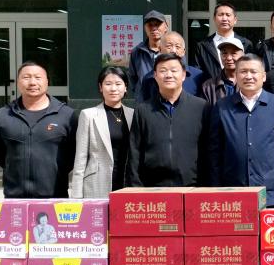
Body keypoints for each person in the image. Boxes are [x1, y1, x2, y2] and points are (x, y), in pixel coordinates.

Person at [207, 54, 274, 207]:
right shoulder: (222, 107)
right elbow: (214, 152)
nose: (248, 76)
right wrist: (215, 187)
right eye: (243, 72)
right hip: (232, 190)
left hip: (271, 192)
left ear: (264, 76)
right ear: (236, 75)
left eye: (253, 72)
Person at [0, 62, 75, 198]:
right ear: (18, 82)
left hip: (54, 195)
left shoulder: (67, 115)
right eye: (26, 77)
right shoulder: (3, 115)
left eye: (38, 77)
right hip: (15, 196)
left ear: (47, 82)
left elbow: (74, 152)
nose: (32, 82)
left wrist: (58, 169)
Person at [125, 53, 209, 187]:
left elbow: (208, 150)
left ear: (183, 75)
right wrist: (135, 188)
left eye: (174, 70)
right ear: (155, 75)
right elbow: (134, 152)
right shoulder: (143, 110)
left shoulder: (201, 107)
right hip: (152, 188)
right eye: (163, 70)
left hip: (192, 187)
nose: (169, 75)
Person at [70, 66, 134, 198]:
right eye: (108, 84)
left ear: (125, 87)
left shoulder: (133, 115)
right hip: (96, 183)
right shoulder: (88, 115)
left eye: (118, 84)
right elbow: (80, 158)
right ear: (100, 87)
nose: (113, 88)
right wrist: (76, 195)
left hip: (127, 182)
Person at [193, 2, 255, 80]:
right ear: (214, 19)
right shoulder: (202, 45)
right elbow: (197, 73)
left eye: (228, 15)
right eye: (221, 15)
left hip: (239, 86)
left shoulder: (246, 44)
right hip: (211, 87)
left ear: (235, 20)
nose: (224, 18)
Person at [138, 31, 203, 102]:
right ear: (160, 50)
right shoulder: (150, 78)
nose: (173, 51)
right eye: (169, 46)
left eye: (177, 47)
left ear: (183, 51)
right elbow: (144, 105)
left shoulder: (198, 75)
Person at [128, 10, 168, 96]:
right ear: (145, 28)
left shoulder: (173, 51)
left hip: (167, 98)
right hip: (144, 100)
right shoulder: (137, 51)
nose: (154, 28)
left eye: (157, 24)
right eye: (150, 25)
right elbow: (132, 77)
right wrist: (140, 93)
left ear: (166, 27)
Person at [200, 37, 244, 106]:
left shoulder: (250, 83)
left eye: (233, 53)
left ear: (243, 56)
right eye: (224, 53)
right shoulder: (208, 86)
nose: (228, 58)